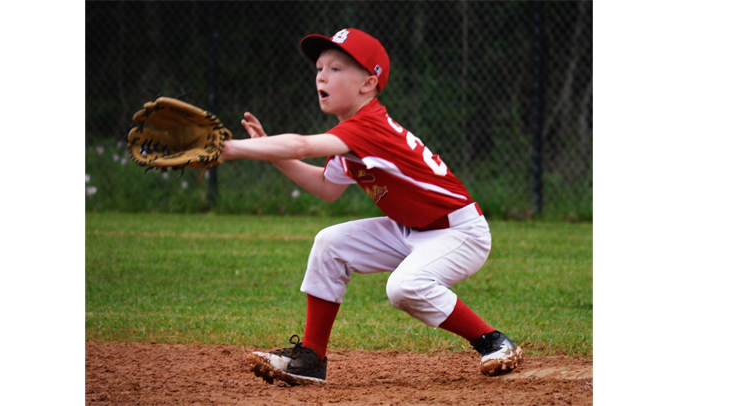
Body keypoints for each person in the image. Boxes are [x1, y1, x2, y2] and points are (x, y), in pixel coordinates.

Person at [218, 28, 523, 386]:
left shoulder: (370, 127)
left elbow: (300, 144)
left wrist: (230, 148)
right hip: (411, 230)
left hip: (458, 232)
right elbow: (326, 187)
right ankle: (312, 358)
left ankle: (494, 342)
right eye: (319, 68)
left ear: (367, 83)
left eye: (335, 68)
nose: (321, 75)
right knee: (330, 244)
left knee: (404, 286)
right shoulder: (351, 132)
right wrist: (270, 152)